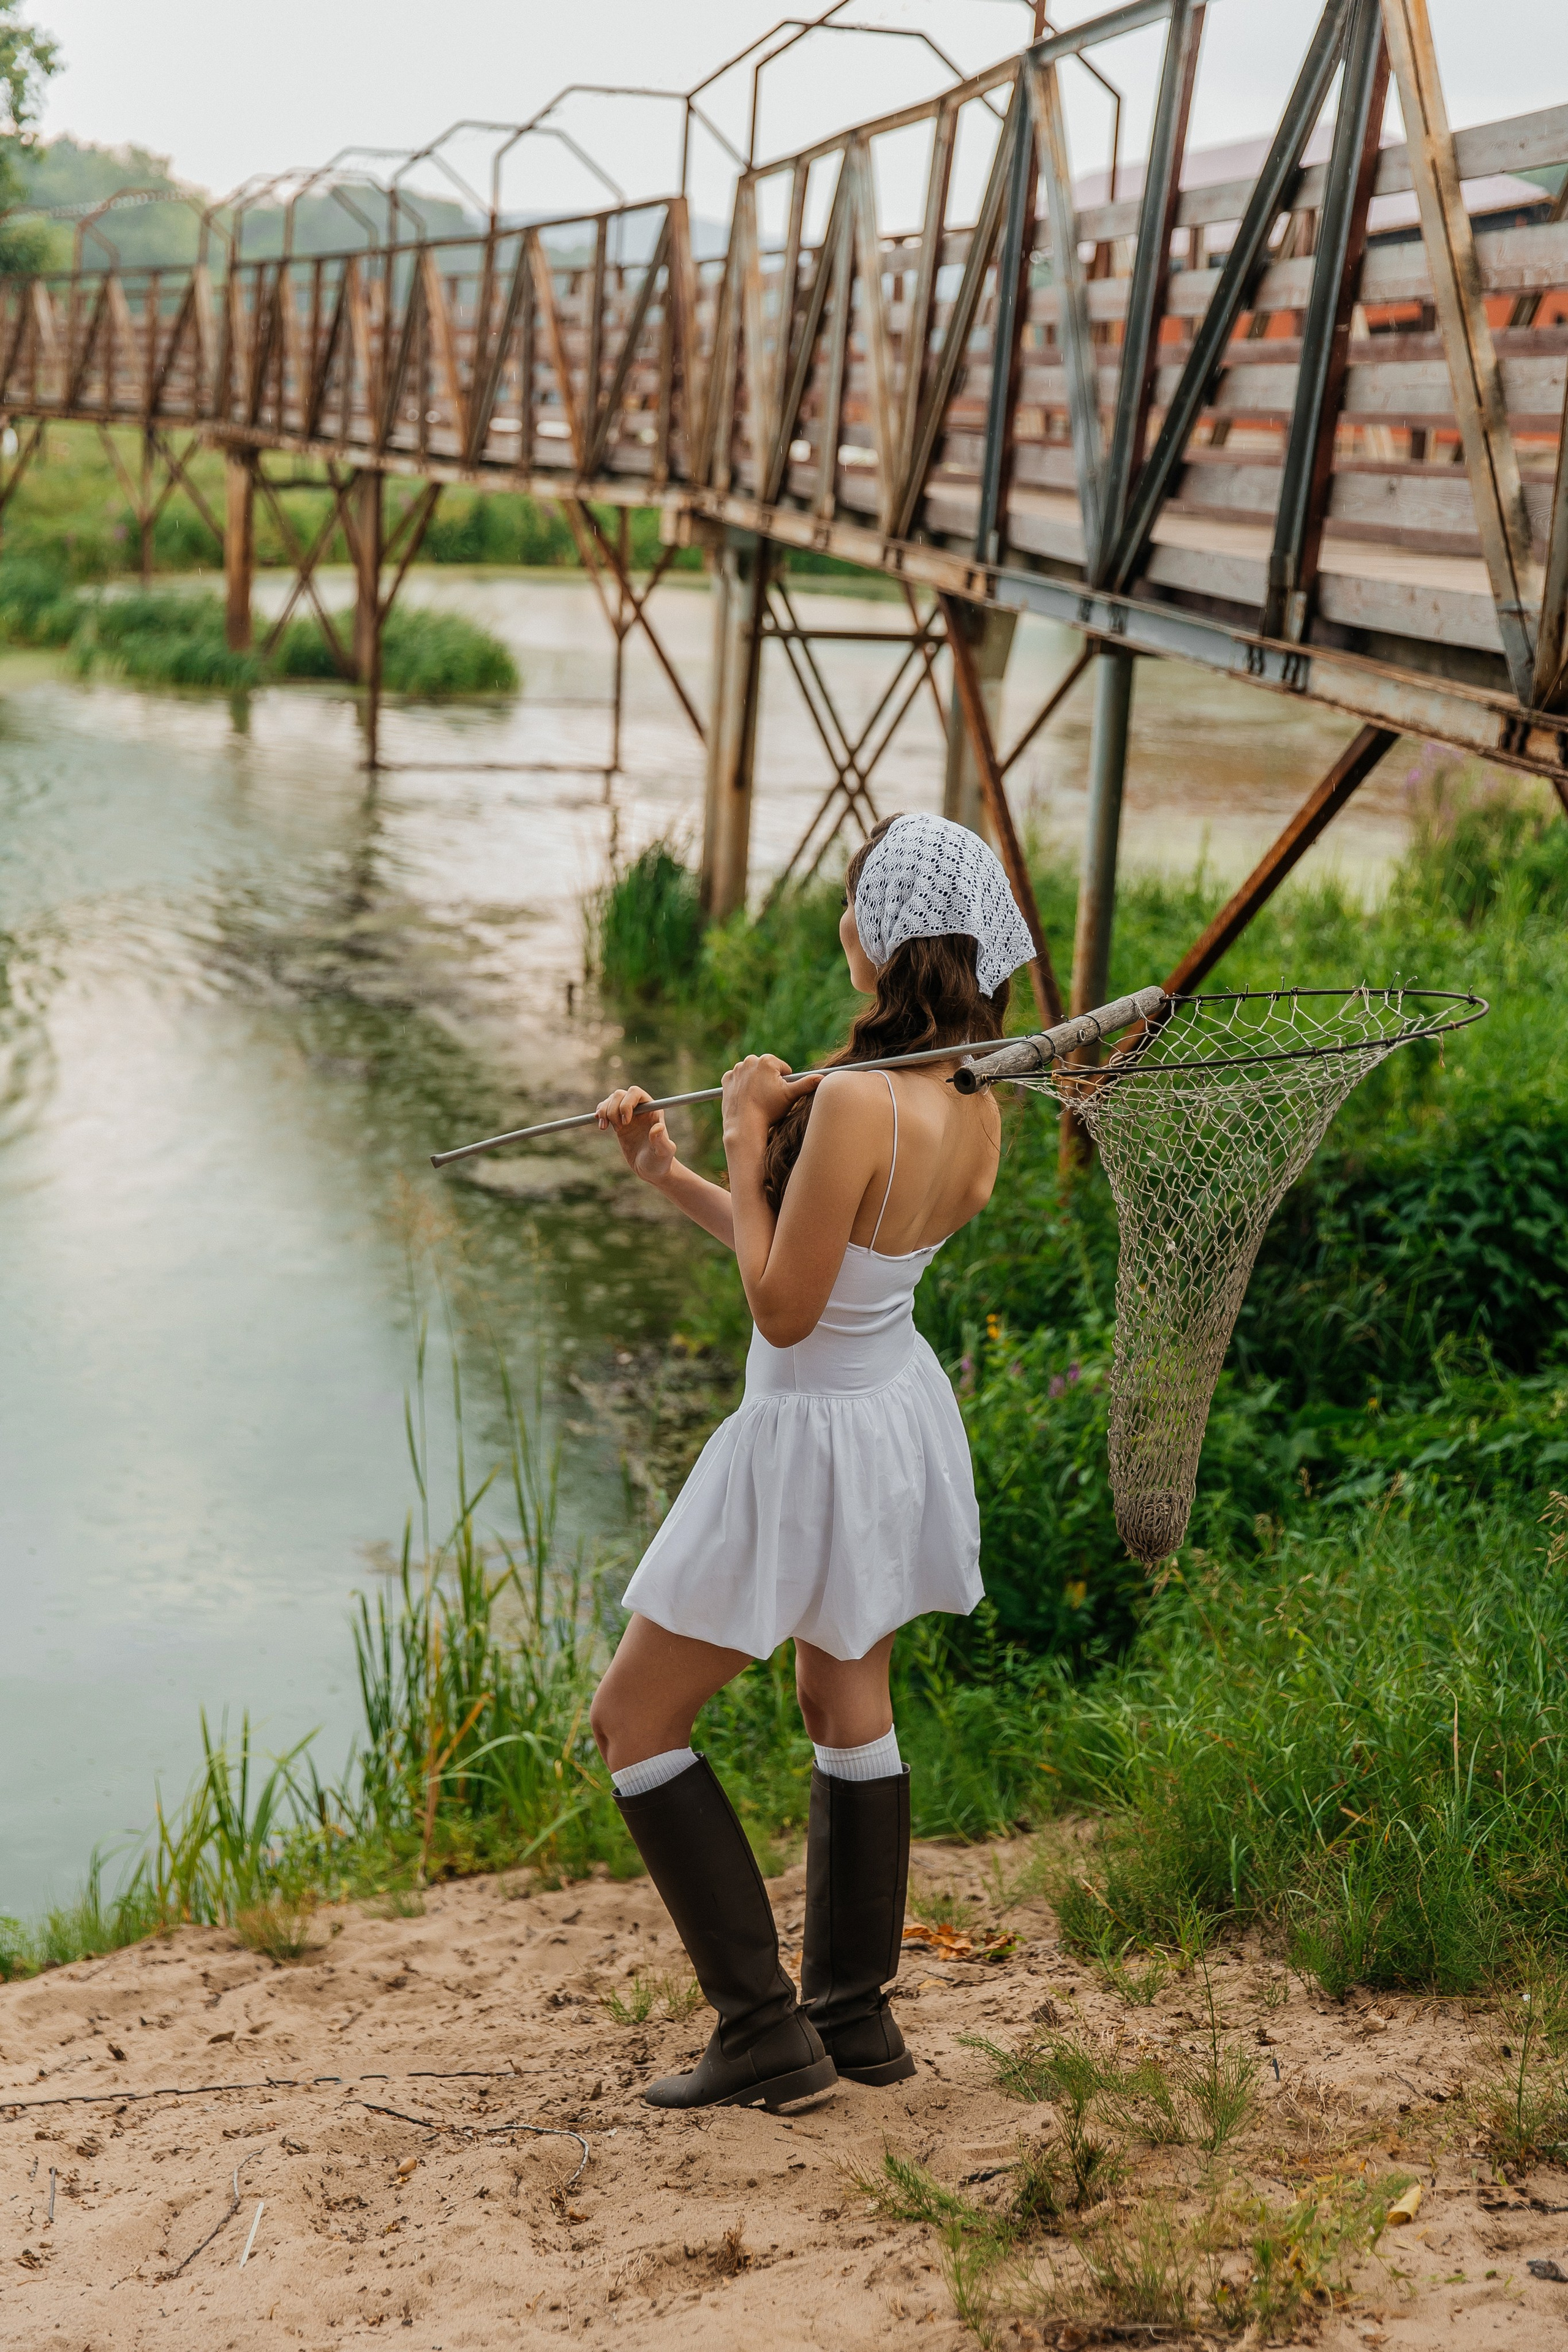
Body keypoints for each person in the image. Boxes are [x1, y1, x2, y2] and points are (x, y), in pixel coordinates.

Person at [589, 811, 1036, 2113]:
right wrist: (673, 1171)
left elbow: (780, 1309)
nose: (840, 927)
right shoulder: (967, 1097)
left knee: (632, 1720)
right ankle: (852, 2021)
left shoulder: (848, 1100)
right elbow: (824, 1266)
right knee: (845, 1706)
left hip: (805, 1436)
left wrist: (738, 1132)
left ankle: (761, 2032)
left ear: (877, 935)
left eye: (850, 907)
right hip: (884, 1413)